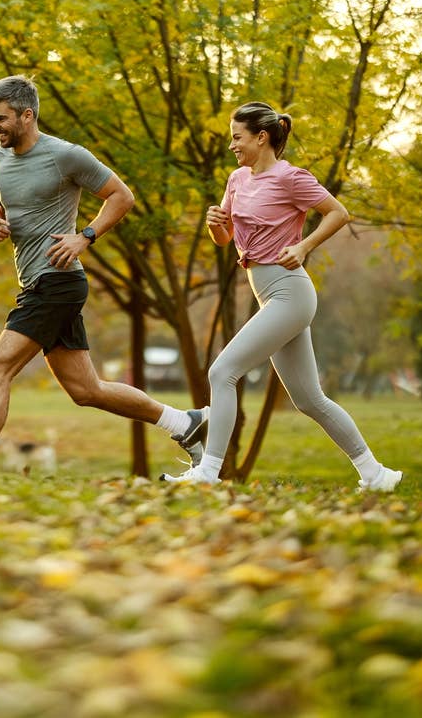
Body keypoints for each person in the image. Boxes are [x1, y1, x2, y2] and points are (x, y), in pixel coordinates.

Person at [0, 75, 208, 480]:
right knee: (86, 391)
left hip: (58, 280)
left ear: (27, 114)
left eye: (1, 119)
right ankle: (184, 423)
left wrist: (85, 236)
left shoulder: (66, 156)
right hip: (35, 281)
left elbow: (122, 197)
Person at [161, 102, 402, 491]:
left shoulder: (291, 178)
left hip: (291, 292)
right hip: (267, 291)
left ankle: (208, 472)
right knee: (309, 399)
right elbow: (226, 240)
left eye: (237, 138)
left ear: (262, 137)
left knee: (222, 372)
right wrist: (215, 226)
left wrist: (304, 246)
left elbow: (338, 213)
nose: (231, 146)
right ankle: (376, 474)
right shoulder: (237, 179)